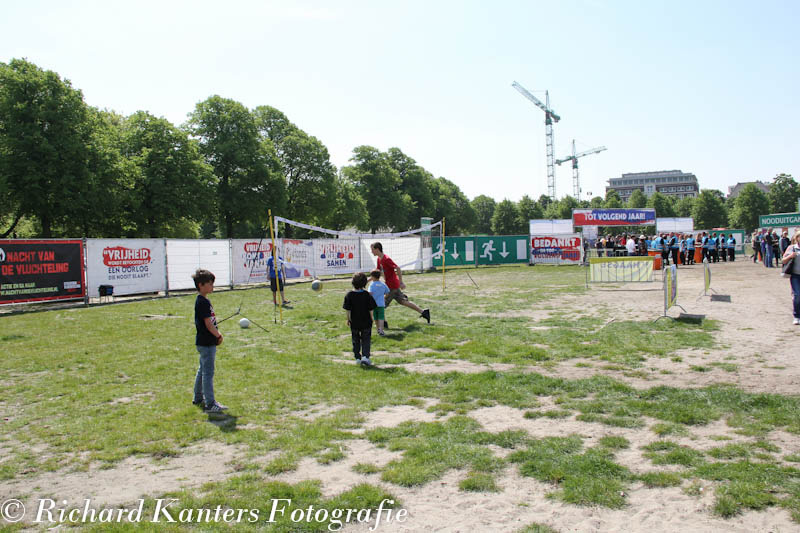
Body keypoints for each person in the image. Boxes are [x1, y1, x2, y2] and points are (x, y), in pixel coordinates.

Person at [191, 269, 227, 414]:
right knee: (207, 373)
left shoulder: (203, 300)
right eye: (210, 284)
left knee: (202, 370)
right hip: (206, 343)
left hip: (204, 342)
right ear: (201, 285)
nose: (212, 286)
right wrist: (218, 335)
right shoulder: (202, 302)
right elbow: (208, 323)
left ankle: (198, 398)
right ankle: (210, 403)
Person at [371, 242, 430, 323]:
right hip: (391, 285)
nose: (372, 251)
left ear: (377, 249)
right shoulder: (379, 259)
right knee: (403, 301)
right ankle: (424, 312)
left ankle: (383, 323)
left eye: (372, 249)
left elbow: (397, 268)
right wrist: (367, 280)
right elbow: (376, 272)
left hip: (391, 286)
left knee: (380, 304)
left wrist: (401, 282)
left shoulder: (386, 259)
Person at [343, 272, 377, 366]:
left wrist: (348, 319)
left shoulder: (349, 295)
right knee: (366, 339)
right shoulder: (367, 295)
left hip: (354, 322)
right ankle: (365, 357)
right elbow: (371, 309)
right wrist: (372, 318)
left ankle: (357, 357)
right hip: (366, 321)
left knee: (355, 339)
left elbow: (348, 309)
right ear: (365, 283)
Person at [781, 231, 800, 325]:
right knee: (797, 295)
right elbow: (783, 261)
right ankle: (796, 316)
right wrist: (790, 256)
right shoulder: (792, 248)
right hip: (795, 276)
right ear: (797, 238)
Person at [368, 269, 390, 336]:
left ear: (373, 277)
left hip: (373, 304)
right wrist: (384, 297)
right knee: (381, 317)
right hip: (381, 304)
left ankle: (378, 328)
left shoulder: (372, 285)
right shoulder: (383, 284)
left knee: (375, 317)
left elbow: (370, 293)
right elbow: (388, 292)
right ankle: (381, 330)